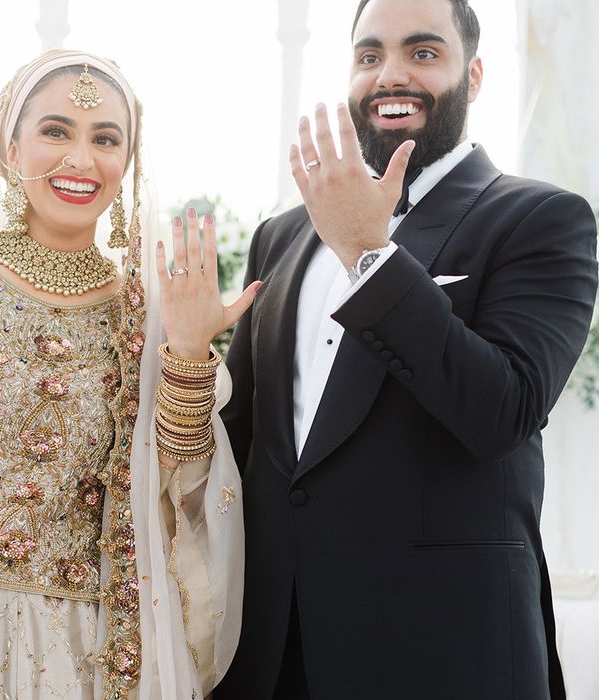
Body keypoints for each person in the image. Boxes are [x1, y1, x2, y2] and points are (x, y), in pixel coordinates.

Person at [0, 49, 259, 700]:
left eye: (106, 139)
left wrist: (193, 353)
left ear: (128, 161)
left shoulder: (146, 315)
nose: (81, 160)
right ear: (10, 150)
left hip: (81, 655)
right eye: (55, 131)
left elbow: (174, 492)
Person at [218, 0, 598, 698]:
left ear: (474, 75)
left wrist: (370, 253)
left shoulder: (542, 219)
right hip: (274, 654)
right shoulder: (280, 236)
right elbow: (242, 447)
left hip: (444, 652)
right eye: (369, 56)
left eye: (423, 52)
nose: (390, 75)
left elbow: (501, 411)